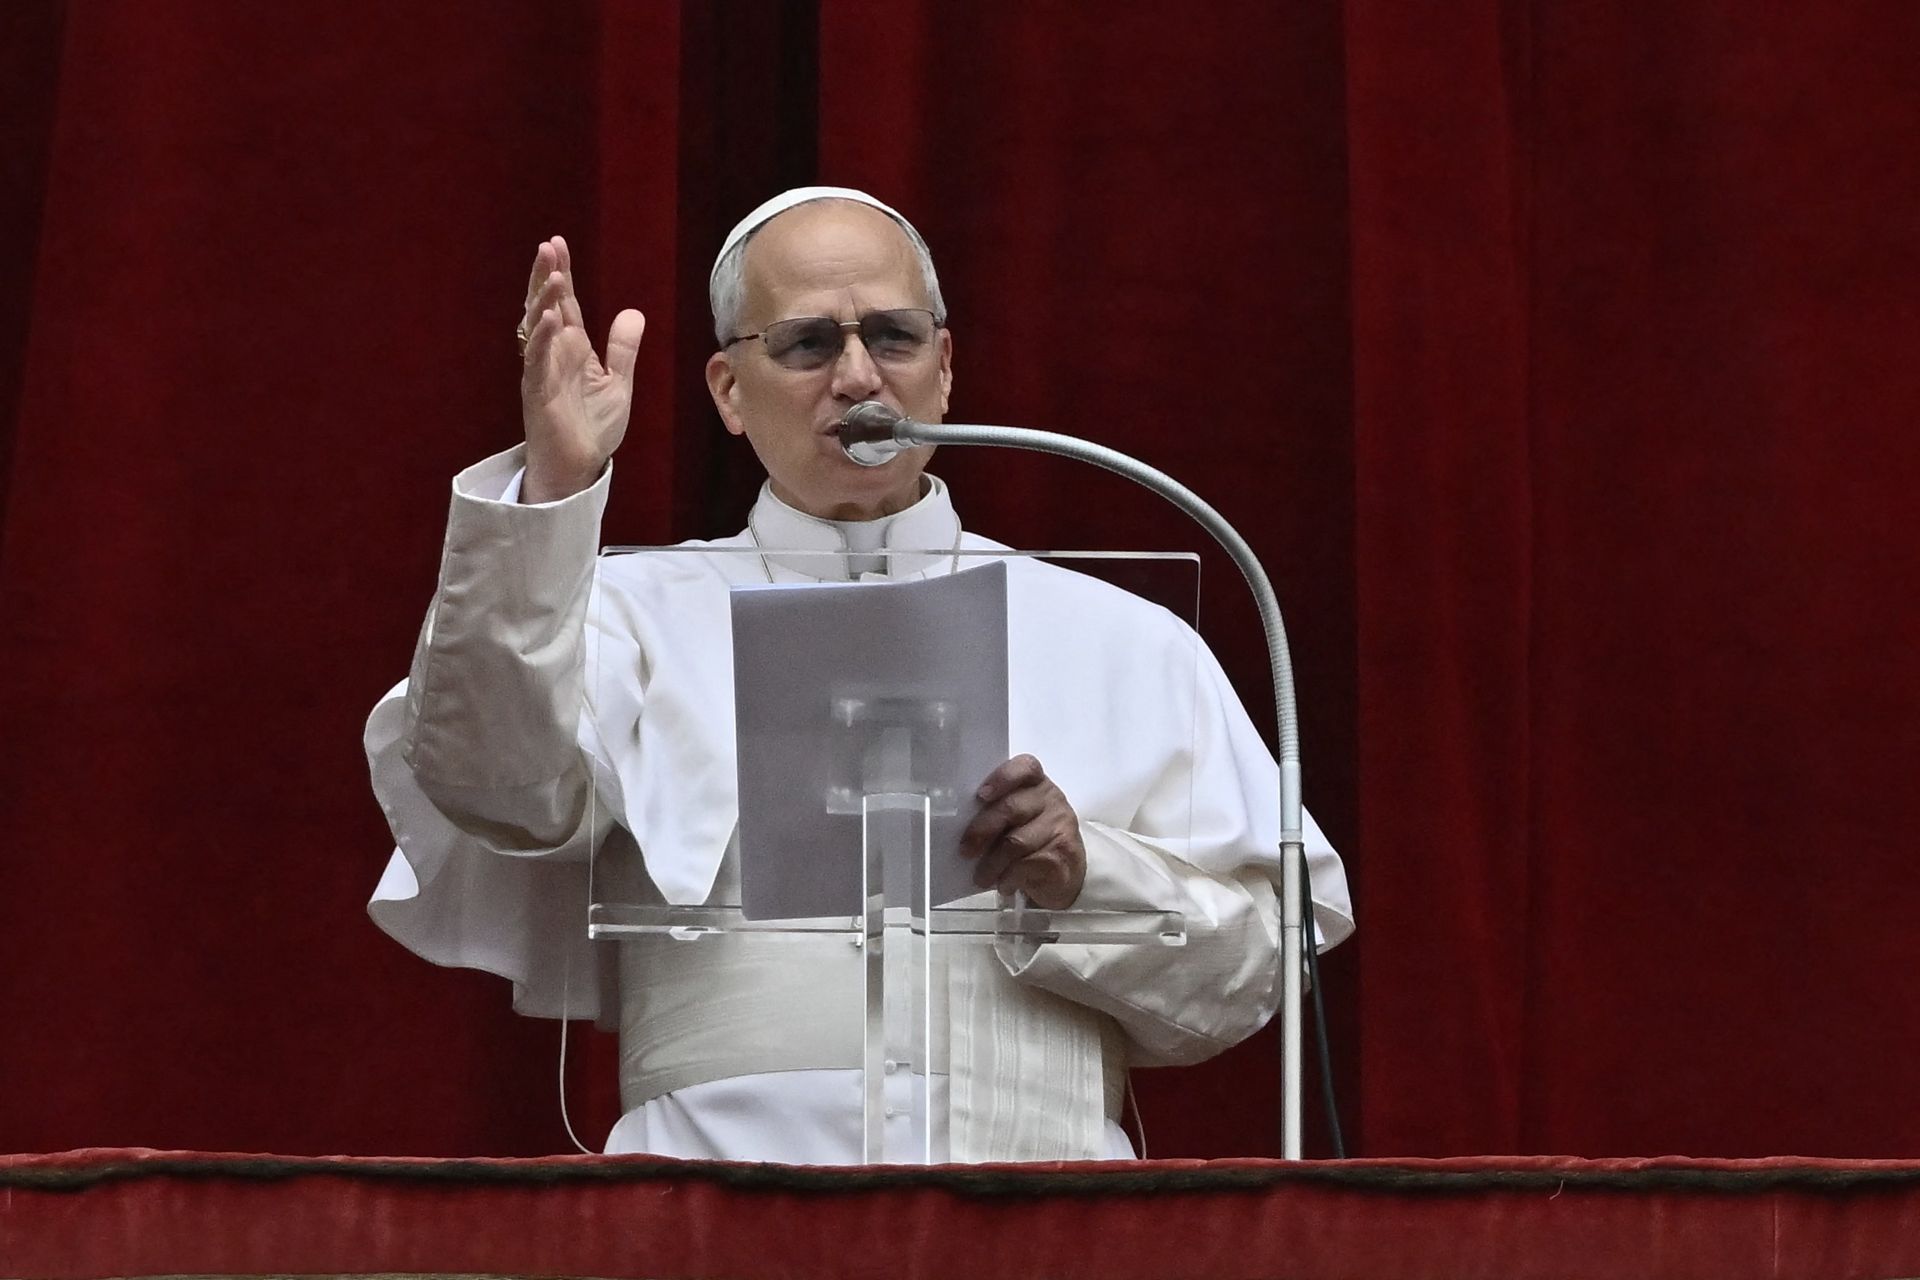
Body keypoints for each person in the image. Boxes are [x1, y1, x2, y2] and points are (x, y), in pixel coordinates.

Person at [365, 186, 1354, 1163]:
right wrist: (554, 489)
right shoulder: (628, 615)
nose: (857, 376)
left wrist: (1084, 873)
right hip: (707, 1203)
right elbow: (493, 783)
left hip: (1041, 1216)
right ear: (727, 392)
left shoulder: (1122, 636)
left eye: (893, 336)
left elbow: (1260, 960)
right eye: (806, 344)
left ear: (946, 368)